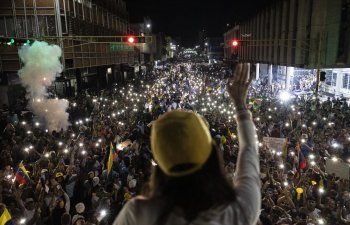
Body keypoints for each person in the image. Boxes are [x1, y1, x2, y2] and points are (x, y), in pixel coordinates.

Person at [113, 63, 261, 225]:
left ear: (160, 162)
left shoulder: (137, 213)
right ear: (211, 153)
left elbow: (249, 150)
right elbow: (249, 149)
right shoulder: (237, 211)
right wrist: (240, 105)